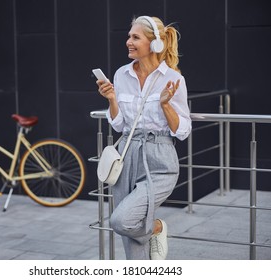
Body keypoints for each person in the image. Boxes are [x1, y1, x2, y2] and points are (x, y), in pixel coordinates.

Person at [95, 15, 191, 260]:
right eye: (129, 36)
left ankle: (157, 227)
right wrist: (112, 100)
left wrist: (166, 105)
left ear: (154, 44)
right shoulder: (121, 75)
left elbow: (182, 131)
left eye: (135, 37)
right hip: (127, 154)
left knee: (121, 220)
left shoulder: (173, 79)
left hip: (160, 159)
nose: (128, 41)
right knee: (131, 245)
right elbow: (118, 125)